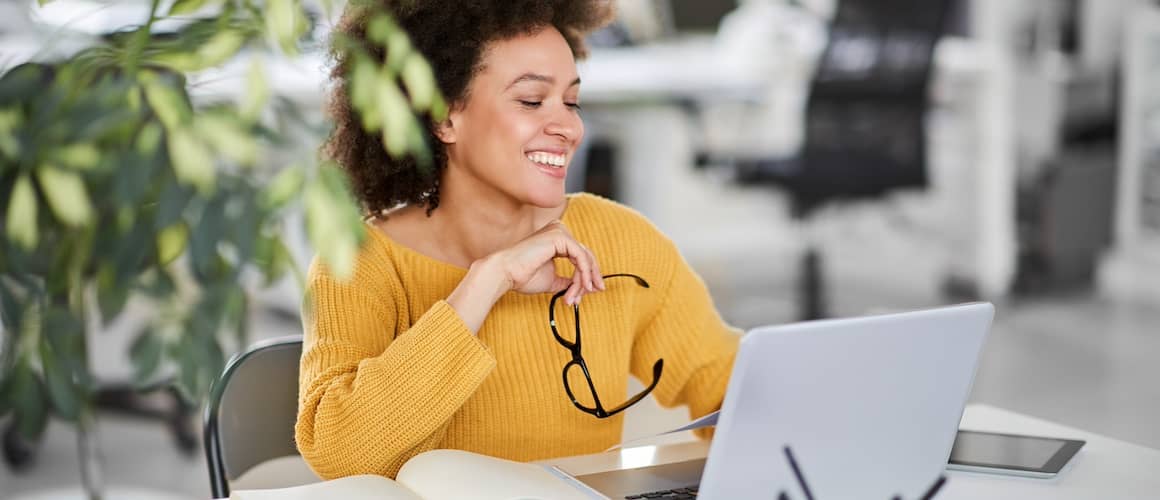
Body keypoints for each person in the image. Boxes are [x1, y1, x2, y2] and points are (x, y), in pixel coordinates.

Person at [296, 0, 741, 480]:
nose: (568, 127)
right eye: (532, 101)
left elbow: (733, 390)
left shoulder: (618, 240)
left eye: (571, 102)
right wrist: (487, 282)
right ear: (443, 118)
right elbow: (338, 454)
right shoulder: (361, 262)